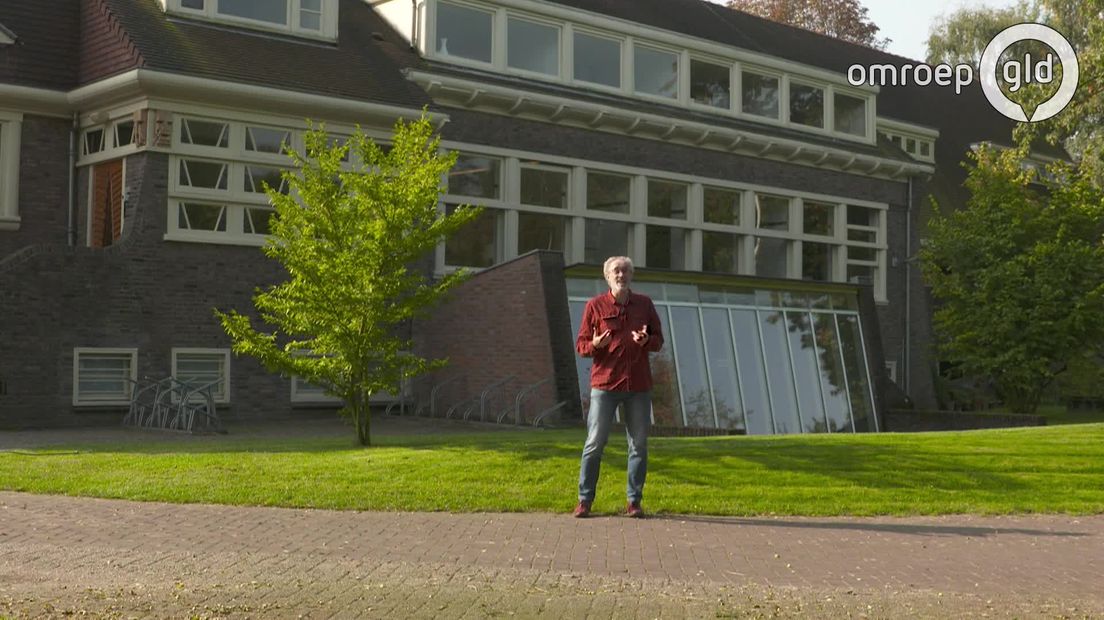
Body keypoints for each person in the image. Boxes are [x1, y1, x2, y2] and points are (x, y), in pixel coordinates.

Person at [573, 256, 664, 518]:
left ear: (631, 275)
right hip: (605, 384)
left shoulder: (645, 305)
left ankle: (634, 502)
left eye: (625, 271)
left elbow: (659, 341)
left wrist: (647, 340)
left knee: (639, 445)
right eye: (616, 271)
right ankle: (584, 500)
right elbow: (581, 346)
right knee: (594, 443)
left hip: (638, 385)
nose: (621, 275)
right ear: (607, 276)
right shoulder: (594, 306)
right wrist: (596, 345)